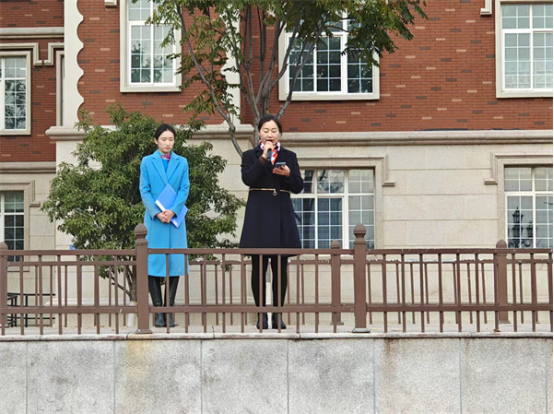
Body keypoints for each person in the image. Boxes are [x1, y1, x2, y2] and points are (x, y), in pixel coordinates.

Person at [239, 114, 304, 329]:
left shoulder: (289, 156)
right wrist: (263, 158)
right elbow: (248, 178)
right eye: (266, 130)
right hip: (258, 215)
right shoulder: (250, 155)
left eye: (274, 131)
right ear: (259, 133)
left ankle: (277, 315)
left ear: (280, 134)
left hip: (281, 214)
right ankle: (261, 316)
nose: (270, 134)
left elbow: (298, 186)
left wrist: (288, 174)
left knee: (280, 267)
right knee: (258, 268)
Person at [139, 124, 190, 328]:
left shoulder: (182, 162)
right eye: (164, 139)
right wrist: (157, 212)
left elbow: (184, 189)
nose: (168, 143)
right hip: (155, 220)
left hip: (175, 220)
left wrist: (174, 210)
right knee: (153, 262)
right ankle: (158, 313)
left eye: (171, 139)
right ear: (156, 141)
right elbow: (144, 190)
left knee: (175, 263)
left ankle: (169, 312)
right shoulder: (147, 161)